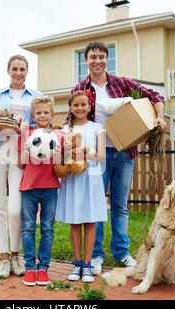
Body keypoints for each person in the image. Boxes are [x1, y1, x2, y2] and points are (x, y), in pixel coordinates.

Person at [69, 41, 166, 274]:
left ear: (106, 59)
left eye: (102, 56)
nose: (97, 60)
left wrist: (160, 116)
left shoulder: (121, 83)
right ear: (86, 60)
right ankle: (96, 256)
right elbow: (71, 118)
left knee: (120, 205)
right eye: (93, 56)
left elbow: (154, 95)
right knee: (97, 204)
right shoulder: (80, 88)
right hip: (97, 154)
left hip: (124, 152)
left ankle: (122, 253)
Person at [0, 55, 41, 279]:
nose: (18, 72)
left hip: (20, 154)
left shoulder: (35, 95)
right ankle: (4, 258)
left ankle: (17, 255)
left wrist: (24, 129)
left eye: (22, 69)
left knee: (16, 208)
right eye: (14, 69)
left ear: (27, 71)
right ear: (8, 71)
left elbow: (40, 124)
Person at [56, 91, 106, 283]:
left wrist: (85, 154)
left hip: (91, 178)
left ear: (89, 106)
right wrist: (67, 153)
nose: (80, 108)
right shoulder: (63, 130)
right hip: (72, 179)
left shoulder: (97, 128)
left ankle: (87, 264)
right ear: (70, 107)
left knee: (90, 220)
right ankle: (76, 264)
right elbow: (58, 155)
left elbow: (101, 155)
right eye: (76, 105)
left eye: (83, 104)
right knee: (75, 221)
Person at [17, 95, 63, 286]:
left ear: (52, 115)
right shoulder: (27, 135)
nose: (42, 115)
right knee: (28, 228)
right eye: (38, 113)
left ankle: (43, 268)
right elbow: (20, 164)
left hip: (50, 188)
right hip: (29, 187)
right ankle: (29, 268)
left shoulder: (59, 137)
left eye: (46, 112)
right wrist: (27, 151)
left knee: (47, 228)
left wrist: (60, 152)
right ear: (33, 116)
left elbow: (62, 167)